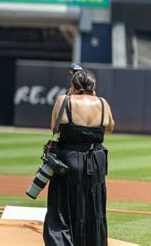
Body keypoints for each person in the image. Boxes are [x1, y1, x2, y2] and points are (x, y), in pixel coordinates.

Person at [44, 68, 115, 245]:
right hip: (96, 163)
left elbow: (54, 127)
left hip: (68, 161)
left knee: (61, 208)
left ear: (73, 85)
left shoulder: (64, 100)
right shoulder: (103, 103)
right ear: (93, 86)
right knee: (93, 208)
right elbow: (110, 127)